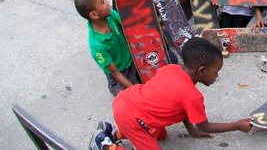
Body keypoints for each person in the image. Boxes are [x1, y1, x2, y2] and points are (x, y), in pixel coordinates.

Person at [90, 38, 251, 149]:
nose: (217, 76)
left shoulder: (171, 68)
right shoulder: (193, 96)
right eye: (216, 72)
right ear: (201, 71)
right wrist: (237, 125)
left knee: (161, 136)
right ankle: (103, 145)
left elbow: (182, 108)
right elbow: (206, 126)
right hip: (133, 117)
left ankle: (113, 132)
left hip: (127, 100)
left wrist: (191, 130)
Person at [75, 0, 140, 98]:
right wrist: (136, 92)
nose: (107, 2)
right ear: (94, 15)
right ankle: (115, 88)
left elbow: (128, 28)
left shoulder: (111, 15)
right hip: (120, 73)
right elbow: (116, 74)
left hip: (131, 59)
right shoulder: (97, 47)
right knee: (133, 99)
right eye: (102, 1)